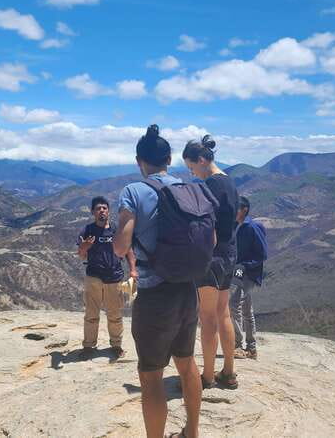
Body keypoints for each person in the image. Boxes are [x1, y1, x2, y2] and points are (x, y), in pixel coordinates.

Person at [113, 125, 204, 438]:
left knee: (151, 376)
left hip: (155, 296)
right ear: (169, 159)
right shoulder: (190, 189)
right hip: (188, 291)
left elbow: (121, 247)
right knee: (187, 363)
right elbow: (213, 237)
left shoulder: (134, 192)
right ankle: (191, 432)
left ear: (140, 161)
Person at [183, 135, 240, 390]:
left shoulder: (210, 186)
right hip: (229, 254)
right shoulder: (229, 183)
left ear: (203, 160)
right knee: (223, 313)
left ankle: (206, 375)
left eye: (192, 167)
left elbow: (210, 229)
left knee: (207, 317)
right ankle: (228, 372)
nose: (192, 173)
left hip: (212, 257)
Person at [77, 196, 136, 360]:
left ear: (108, 211)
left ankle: (116, 345)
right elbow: (81, 255)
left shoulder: (117, 230)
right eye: (98, 209)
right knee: (91, 314)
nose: (101, 211)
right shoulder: (87, 231)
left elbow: (129, 250)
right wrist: (85, 246)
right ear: (93, 212)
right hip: (94, 277)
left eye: (104, 208)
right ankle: (89, 346)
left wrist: (133, 270)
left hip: (114, 277)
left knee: (115, 315)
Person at [230, 196, 267, 360]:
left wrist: (243, 265)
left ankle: (237, 345)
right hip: (238, 270)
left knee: (233, 305)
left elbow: (262, 254)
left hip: (247, 272)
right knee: (246, 309)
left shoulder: (251, 227)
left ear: (244, 210)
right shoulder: (236, 225)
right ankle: (251, 348)